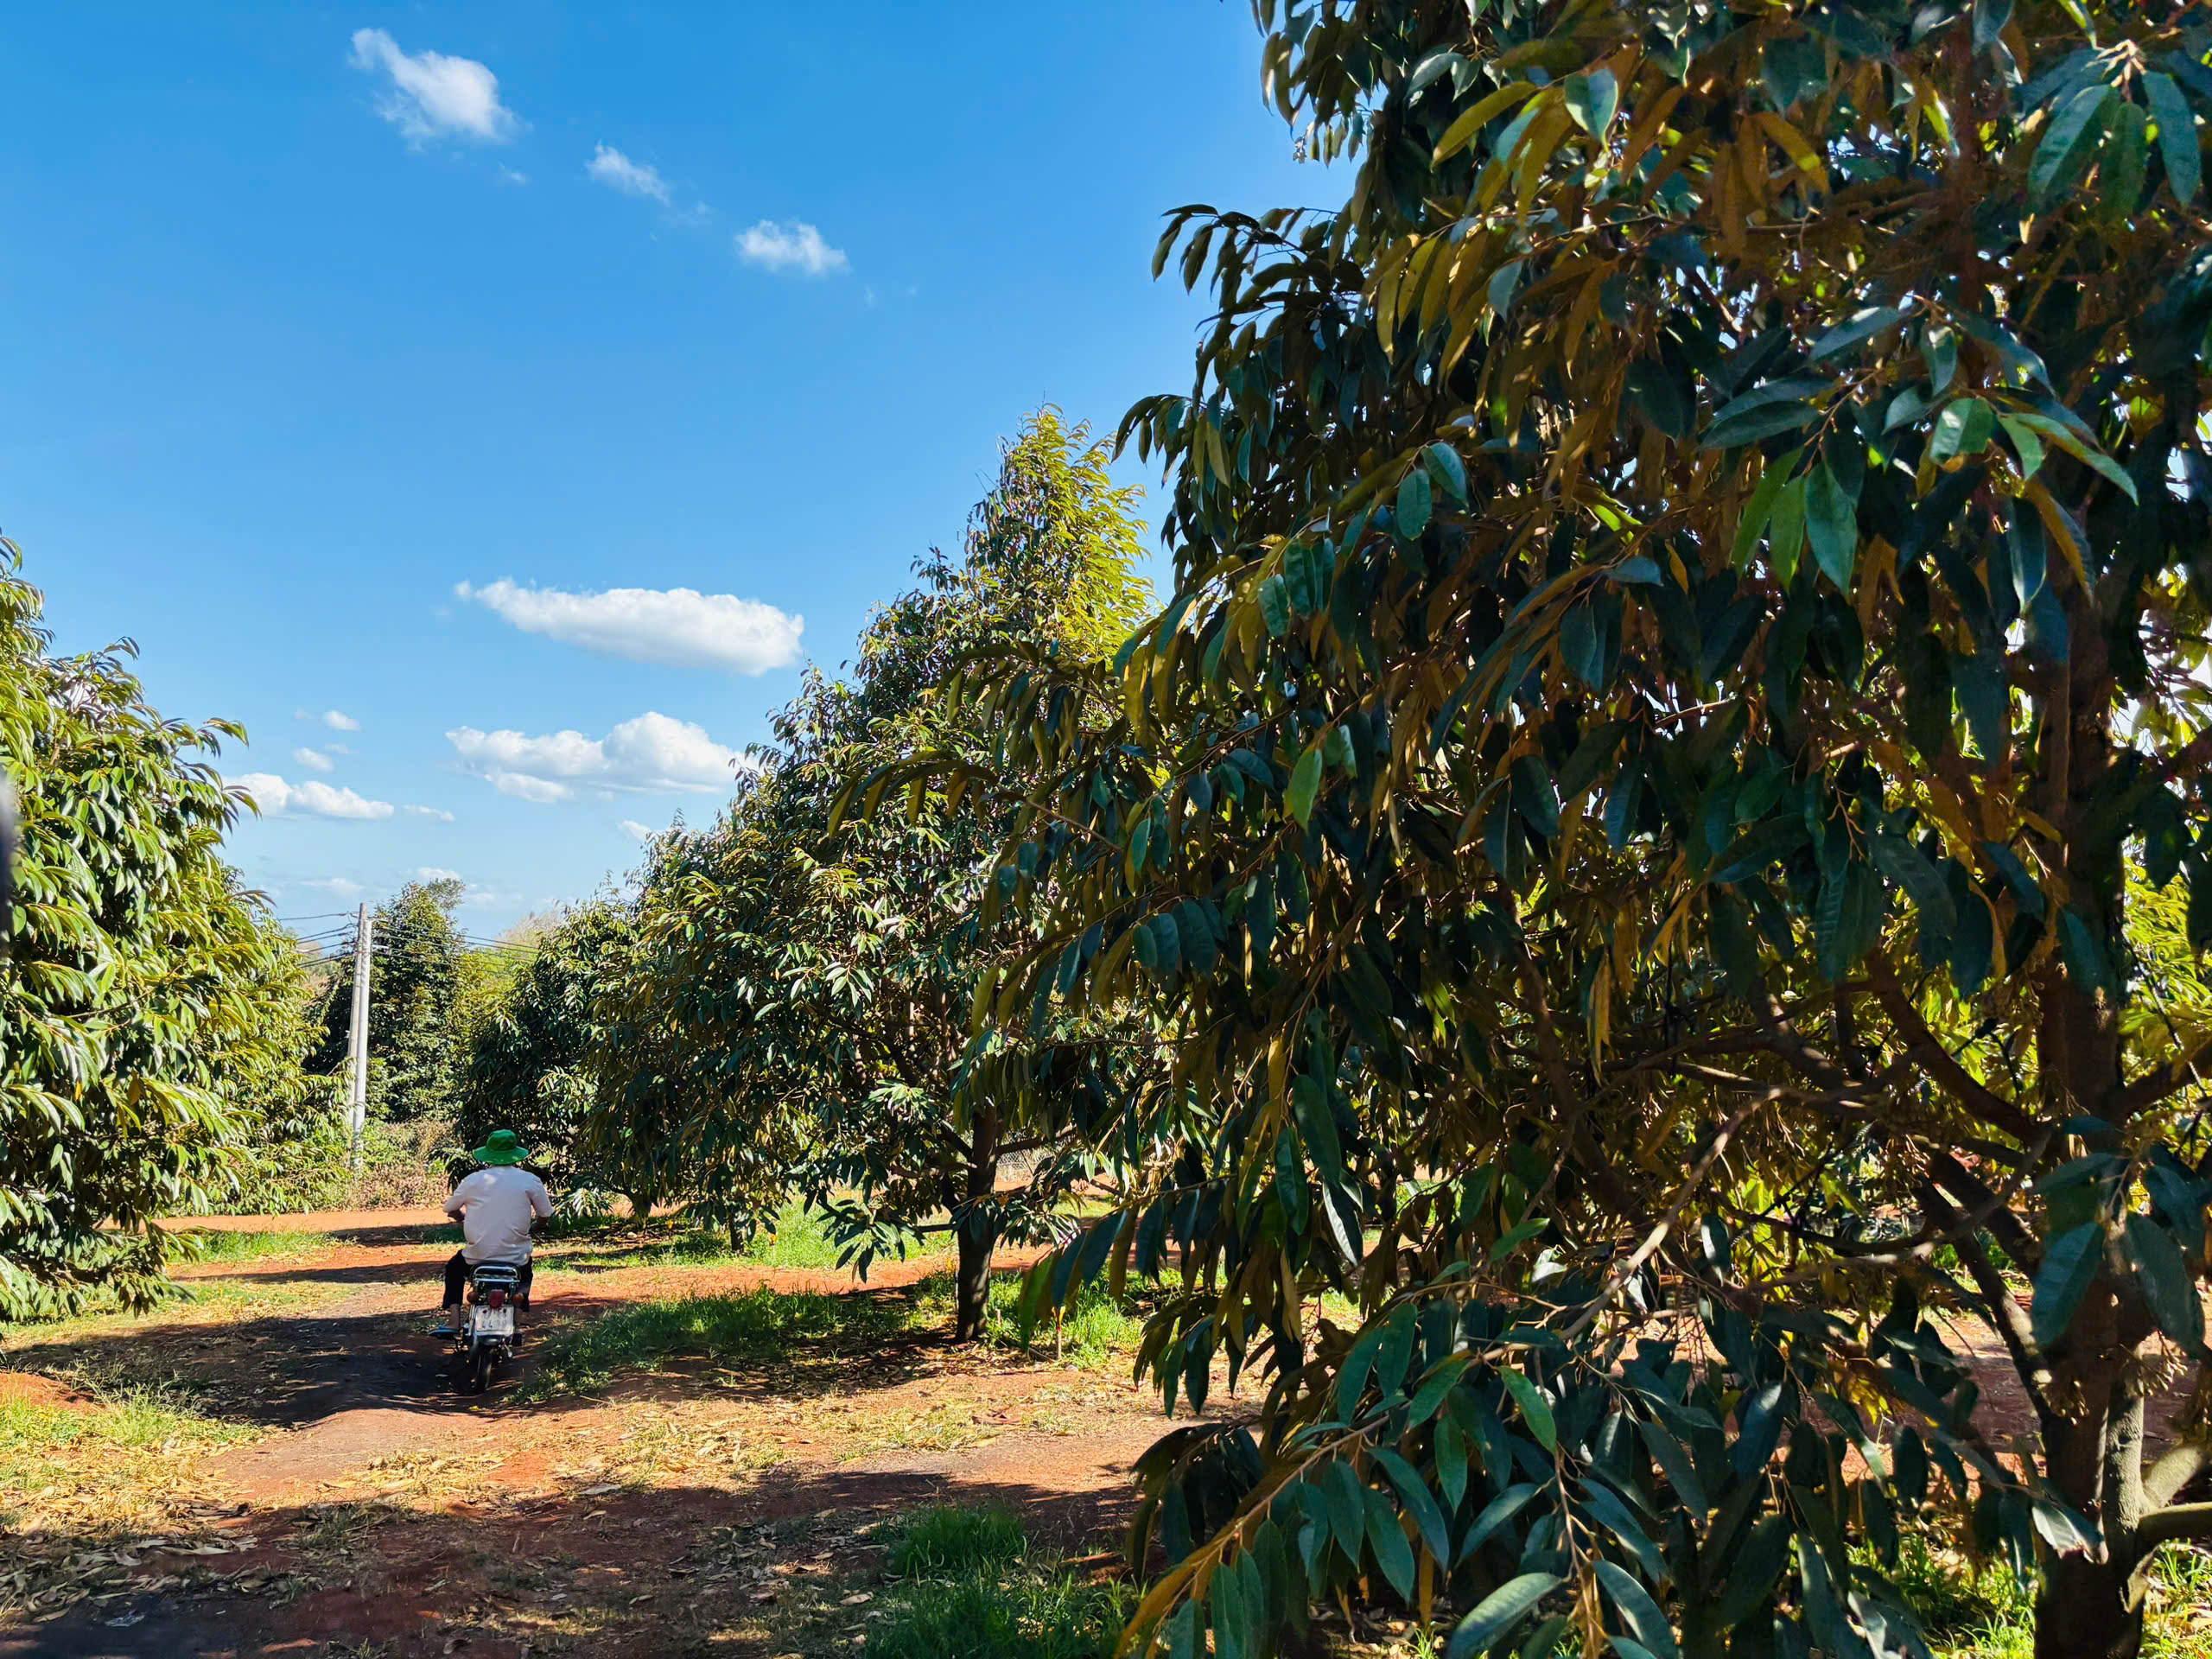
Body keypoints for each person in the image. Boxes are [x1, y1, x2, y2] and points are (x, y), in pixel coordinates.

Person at [439, 1128, 552, 1325]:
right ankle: (517, 1318)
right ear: (515, 1155)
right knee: (525, 1274)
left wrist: (463, 1218)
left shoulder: (473, 1180)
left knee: (454, 1269)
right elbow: (545, 1215)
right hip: (516, 1257)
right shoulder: (530, 1180)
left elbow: (450, 1208)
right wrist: (536, 1226)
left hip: (477, 1256)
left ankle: (454, 1320)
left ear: (488, 1155)